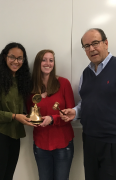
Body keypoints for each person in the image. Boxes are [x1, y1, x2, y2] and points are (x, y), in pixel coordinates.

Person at [61, 28, 116, 180]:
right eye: (87, 46)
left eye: (95, 43)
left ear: (106, 43)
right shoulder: (85, 74)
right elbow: (88, 102)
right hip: (90, 142)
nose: (91, 49)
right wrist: (76, 111)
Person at [0, 42, 34, 180]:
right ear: (5, 57)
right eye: (12, 57)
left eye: (20, 58)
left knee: (8, 177)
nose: (16, 61)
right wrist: (14, 116)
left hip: (14, 136)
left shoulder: (21, 81)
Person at [27, 49, 75, 180]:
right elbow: (28, 113)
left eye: (51, 60)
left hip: (63, 143)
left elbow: (71, 114)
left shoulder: (64, 83)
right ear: (38, 63)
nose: (48, 63)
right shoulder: (31, 87)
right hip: (40, 142)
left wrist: (52, 119)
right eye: (44, 59)